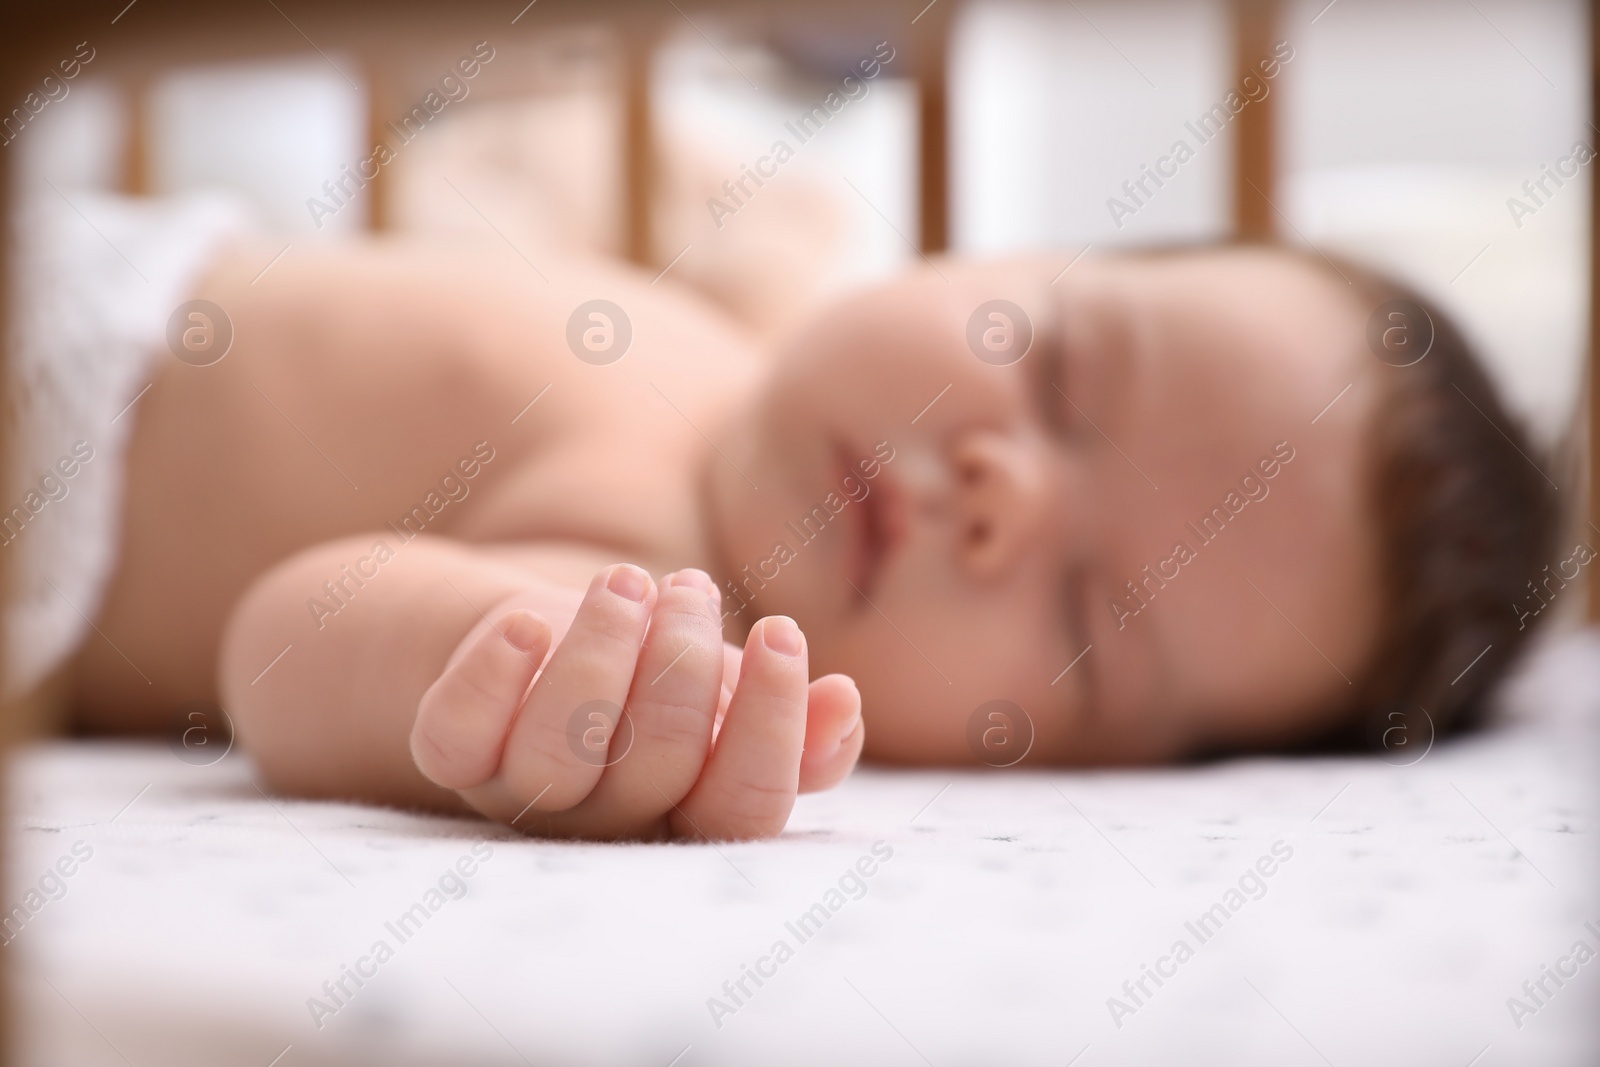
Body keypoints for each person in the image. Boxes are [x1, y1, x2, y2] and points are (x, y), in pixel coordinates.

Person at [67, 239, 1560, 840]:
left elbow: (286, 643)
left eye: (1091, 615)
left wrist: (530, 698)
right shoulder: (710, 355)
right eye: (1054, 374)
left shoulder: (648, 575)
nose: (1008, 495)